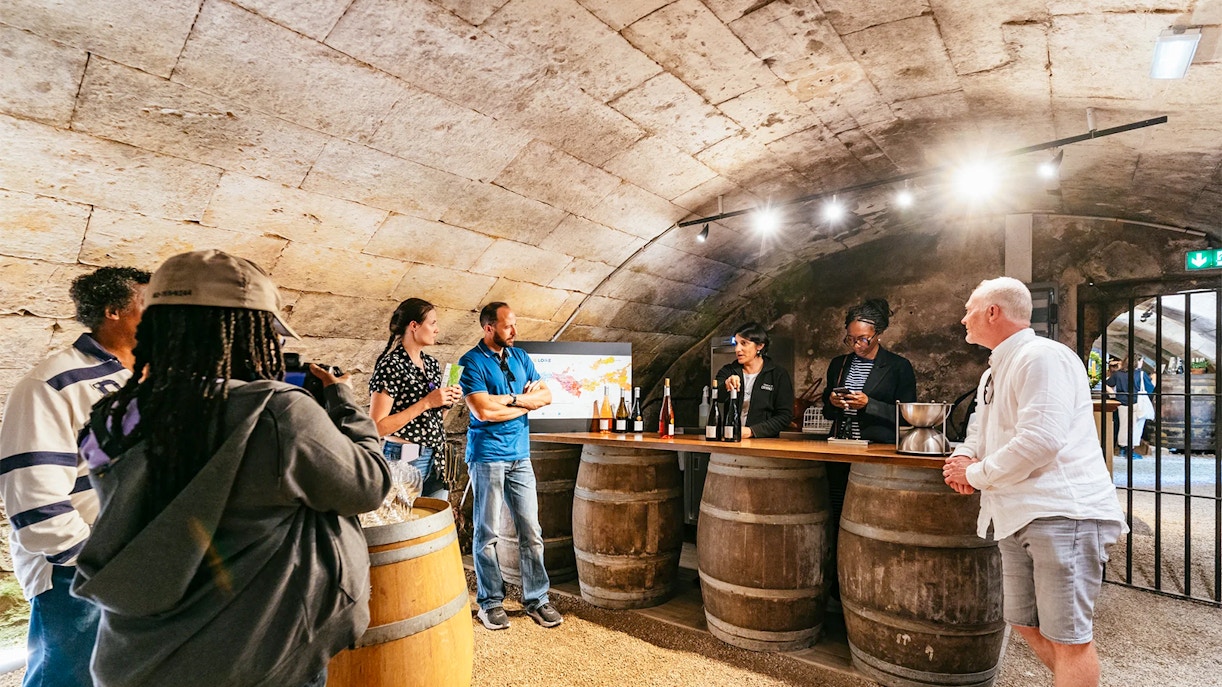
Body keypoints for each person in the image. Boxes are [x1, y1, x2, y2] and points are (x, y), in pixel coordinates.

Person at [71, 250, 391, 687]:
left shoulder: (113, 417)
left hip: (138, 659)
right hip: (255, 659)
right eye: (270, 333)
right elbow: (368, 484)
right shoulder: (277, 413)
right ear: (247, 332)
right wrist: (344, 401)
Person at [943, 277, 1126, 687]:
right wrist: (962, 457)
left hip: (1062, 512)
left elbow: (1040, 441)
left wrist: (974, 474)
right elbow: (979, 431)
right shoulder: (992, 372)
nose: (963, 318)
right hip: (1013, 512)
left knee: (1070, 639)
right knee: (1023, 622)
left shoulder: (1041, 356)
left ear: (993, 311)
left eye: (969, 309)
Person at [0, 265, 149, 687]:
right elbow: (37, 504)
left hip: (137, 568)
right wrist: (98, 567)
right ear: (113, 311)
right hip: (80, 576)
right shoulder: (51, 385)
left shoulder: (142, 378)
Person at [459, 301, 562, 631]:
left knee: (531, 531)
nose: (514, 332)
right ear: (489, 328)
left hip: (520, 457)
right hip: (487, 456)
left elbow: (546, 396)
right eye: (507, 326)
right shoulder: (470, 362)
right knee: (487, 534)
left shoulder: (521, 357)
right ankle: (489, 603)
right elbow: (482, 412)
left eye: (514, 324)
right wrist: (524, 403)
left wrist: (510, 400)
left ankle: (537, 599)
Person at [369, 298, 462, 499]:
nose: (437, 329)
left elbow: (432, 421)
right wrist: (427, 402)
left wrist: (447, 402)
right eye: (433, 323)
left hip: (436, 456)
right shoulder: (391, 365)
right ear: (414, 326)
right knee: (404, 525)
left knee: (434, 525)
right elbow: (377, 426)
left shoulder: (431, 364)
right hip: (405, 456)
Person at [821, 298, 917, 442]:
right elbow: (827, 413)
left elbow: (908, 417)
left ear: (878, 334)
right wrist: (833, 402)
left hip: (877, 448)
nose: (856, 345)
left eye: (863, 339)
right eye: (850, 339)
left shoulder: (898, 366)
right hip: (839, 444)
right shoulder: (839, 364)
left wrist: (869, 404)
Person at [715, 322, 794, 438]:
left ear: (759, 346)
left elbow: (784, 416)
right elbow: (718, 397)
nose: (737, 349)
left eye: (744, 343)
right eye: (736, 344)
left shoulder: (778, 374)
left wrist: (752, 431)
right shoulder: (728, 371)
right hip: (729, 442)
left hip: (763, 445)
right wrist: (726, 385)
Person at [1105, 355, 1155, 460]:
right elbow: (1150, 388)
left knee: (1124, 426)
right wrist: (1155, 378)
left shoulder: (1118, 374)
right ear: (1137, 363)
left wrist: (1113, 395)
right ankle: (1130, 451)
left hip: (1122, 402)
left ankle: (1123, 448)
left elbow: (1107, 384)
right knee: (1135, 427)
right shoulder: (1140, 374)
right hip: (1136, 402)